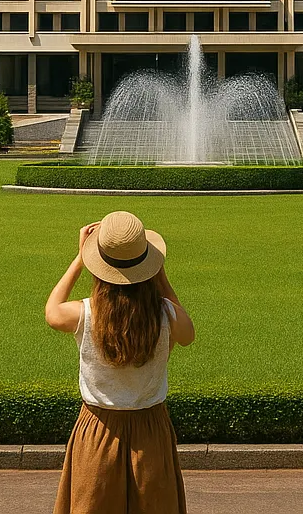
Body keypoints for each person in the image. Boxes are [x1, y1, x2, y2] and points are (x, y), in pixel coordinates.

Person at [45, 211, 196, 514]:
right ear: (147, 264)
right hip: (150, 428)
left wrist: (79, 259)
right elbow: (188, 333)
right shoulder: (164, 315)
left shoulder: (85, 314)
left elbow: (52, 310)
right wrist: (160, 275)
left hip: (98, 428)